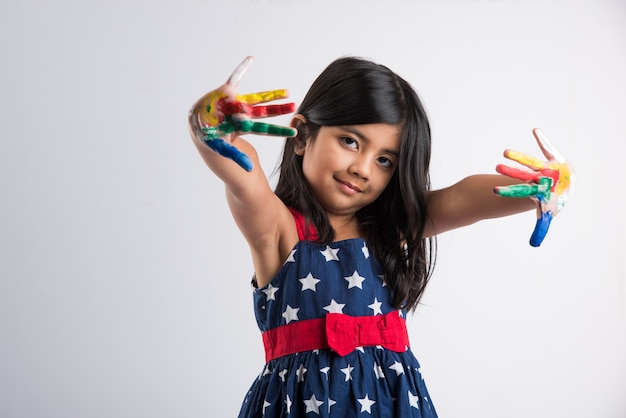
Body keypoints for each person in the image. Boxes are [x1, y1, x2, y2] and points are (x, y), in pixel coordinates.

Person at [188, 56, 563, 417]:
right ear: (301, 136)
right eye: (350, 141)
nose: (362, 168)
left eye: (385, 160)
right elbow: (243, 179)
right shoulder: (278, 229)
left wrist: (540, 187)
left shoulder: (390, 229)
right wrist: (209, 125)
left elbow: (462, 197)